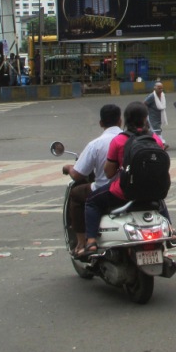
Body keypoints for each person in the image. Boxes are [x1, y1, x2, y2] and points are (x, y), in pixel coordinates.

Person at [80, 101, 173, 257]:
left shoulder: (119, 140)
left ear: (125, 120)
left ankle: (90, 241)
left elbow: (109, 173)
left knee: (92, 202)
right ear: (145, 118)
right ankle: (172, 231)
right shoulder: (155, 139)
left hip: (125, 192)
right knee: (158, 199)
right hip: (154, 189)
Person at [62, 104, 123, 256]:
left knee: (76, 194)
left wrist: (69, 168)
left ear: (101, 123)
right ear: (120, 121)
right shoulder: (131, 139)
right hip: (132, 188)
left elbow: (77, 175)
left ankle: (83, 242)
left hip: (108, 191)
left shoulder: (96, 144)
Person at [144, 81, 169, 149]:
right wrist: (146, 113)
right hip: (152, 116)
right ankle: (162, 143)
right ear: (154, 88)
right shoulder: (152, 96)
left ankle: (155, 143)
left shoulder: (163, 95)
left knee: (156, 130)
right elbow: (144, 103)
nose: (160, 90)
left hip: (159, 116)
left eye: (161, 88)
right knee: (156, 130)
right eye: (159, 88)